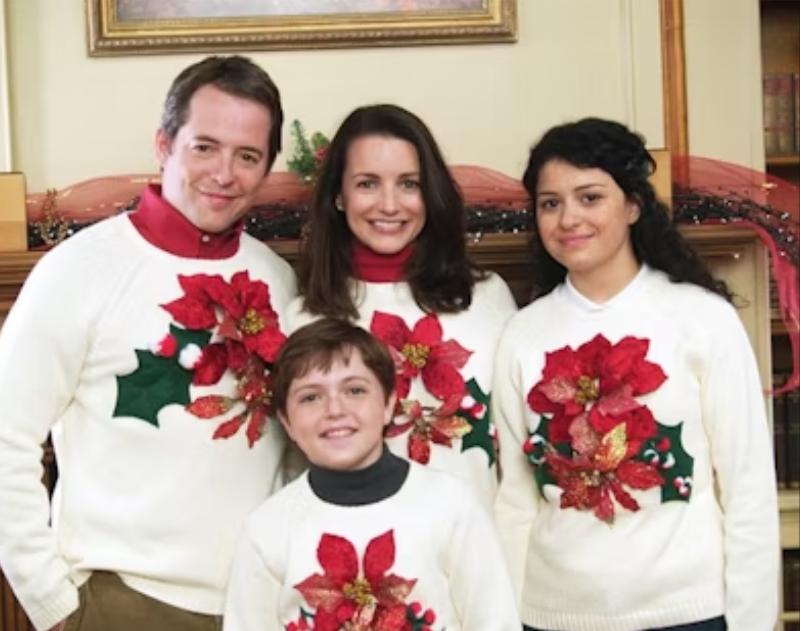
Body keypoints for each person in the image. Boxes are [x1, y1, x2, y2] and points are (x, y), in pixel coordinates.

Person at [0, 55, 297, 631]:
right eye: (204, 146)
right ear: (164, 144)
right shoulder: (79, 270)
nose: (224, 172)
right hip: (123, 603)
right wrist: (52, 602)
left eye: (247, 155)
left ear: (266, 168)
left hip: (257, 602)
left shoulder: (277, 279)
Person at [493, 118, 780, 631]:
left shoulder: (703, 319)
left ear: (632, 205)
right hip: (553, 615)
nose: (568, 218)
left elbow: (748, 489)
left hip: (687, 612)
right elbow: (516, 501)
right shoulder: (522, 334)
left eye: (590, 197)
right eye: (550, 203)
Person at [287, 104, 517, 509]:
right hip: (356, 557)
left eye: (409, 184)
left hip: (472, 548)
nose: (390, 205)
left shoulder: (487, 299)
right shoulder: (303, 317)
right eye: (368, 184)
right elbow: (295, 474)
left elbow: (516, 457)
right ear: (339, 196)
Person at [223, 317, 520, 630]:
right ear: (286, 422)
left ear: (390, 403)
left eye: (355, 390)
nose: (334, 410)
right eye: (311, 397)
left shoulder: (452, 506)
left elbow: (494, 621)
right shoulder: (267, 530)